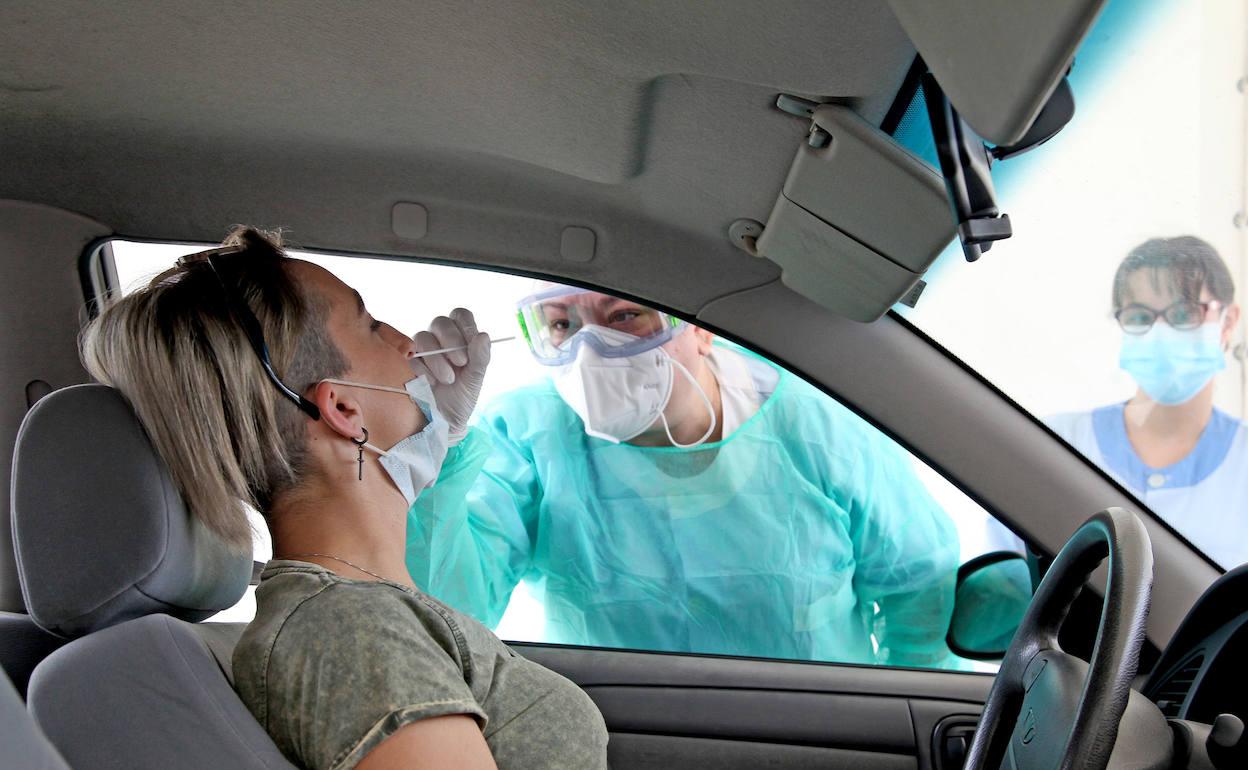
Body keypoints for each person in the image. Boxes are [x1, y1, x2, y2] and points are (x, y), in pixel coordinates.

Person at [79, 229, 608, 770]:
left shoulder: (362, 612)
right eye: (373, 326)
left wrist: (444, 440)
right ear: (343, 409)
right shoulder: (351, 632)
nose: (408, 344)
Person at [405, 282, 960, 667]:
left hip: (813, 737)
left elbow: (921, 594)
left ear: (702, 329)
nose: (591, 350)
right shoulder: (527, 435)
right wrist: (439, 449)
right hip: (625, 736)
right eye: (561, 325)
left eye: (625, 316)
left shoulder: (816, 423)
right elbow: (452, 611)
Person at [1048, 236, 1248, 568]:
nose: (1160, 333)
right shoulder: (1058, 441)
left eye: (1184, 313)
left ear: (1227, 322)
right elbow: (1007, 588)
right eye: (1140, 317)